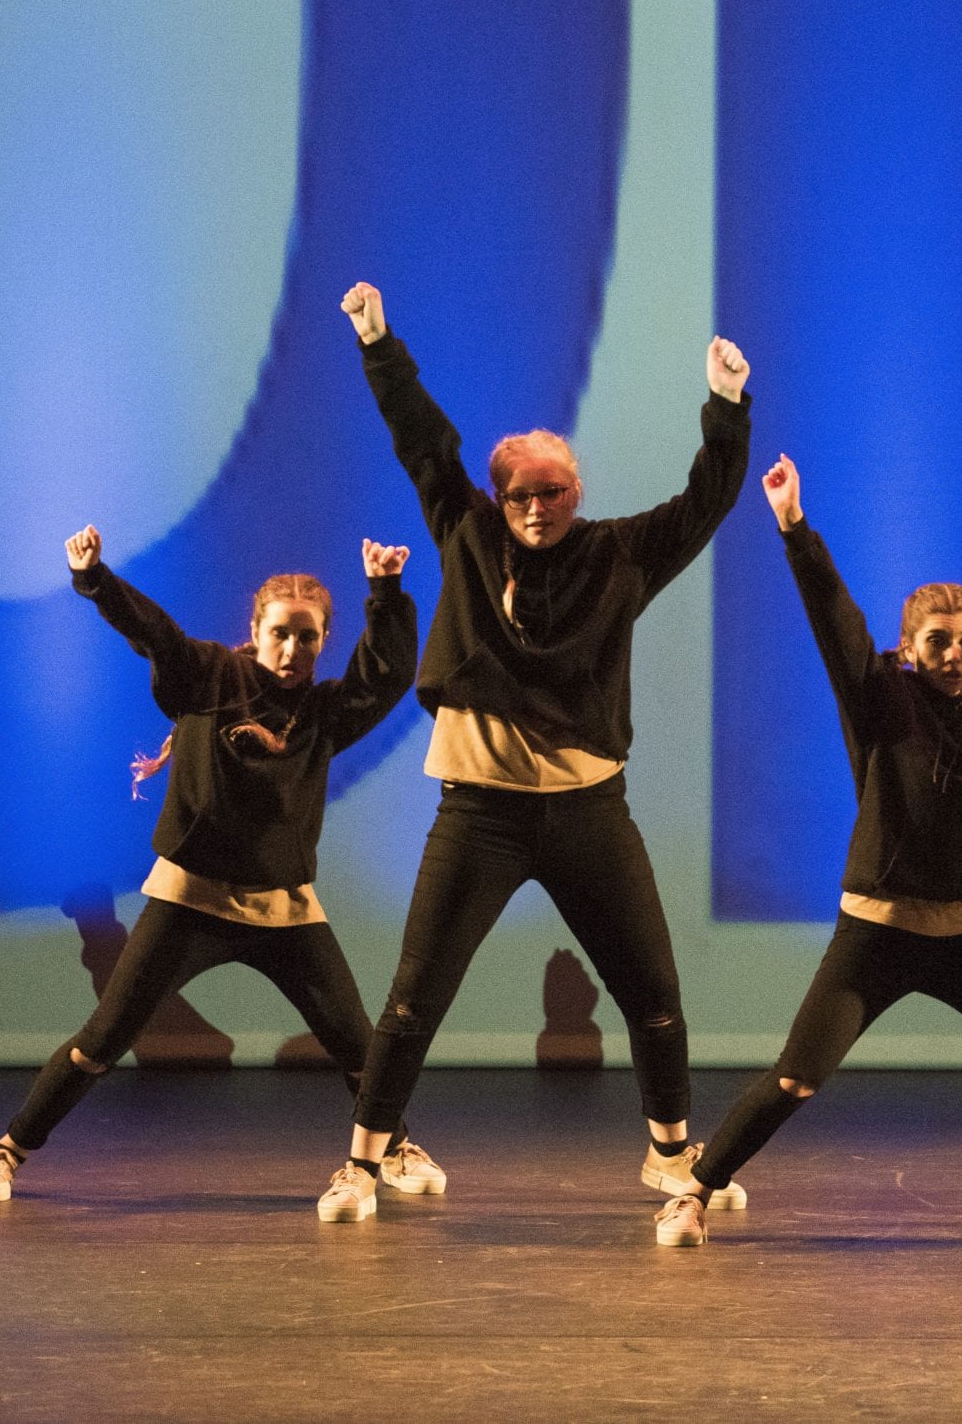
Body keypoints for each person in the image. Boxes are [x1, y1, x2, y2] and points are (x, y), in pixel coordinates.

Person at [318, 281, 752, 1222]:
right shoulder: (469, 532)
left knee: (655, 994)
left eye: (551, 492)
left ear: (576, 493)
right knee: (413, 997)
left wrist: (725, 407)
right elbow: (424, 443)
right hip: (478, 809)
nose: (534, 507)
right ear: (499, 495)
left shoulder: (618, 555)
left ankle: (670, 1155)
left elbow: (707, 502)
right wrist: (377, 340)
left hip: (589, 810)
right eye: (519, 492)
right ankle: (362, 1161)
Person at [652, 454, 962, 1248]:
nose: (955, 654)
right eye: (938, 641)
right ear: (909, 644)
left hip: (956, 938)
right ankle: (693, 1191)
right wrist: (793, 525)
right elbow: (833, 619)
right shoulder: (880, 697)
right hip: (875, 935)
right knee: (796, 1076)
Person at [0, 526, 417, 1201]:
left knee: (361, 1049)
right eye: (280, 633)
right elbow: (155, 632)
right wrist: (94, 577)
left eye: (309, 636)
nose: (292, 649)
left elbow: (386, 676)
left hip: (283, 909)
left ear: (325, 639)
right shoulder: (211, 676)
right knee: (101, 1040)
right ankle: (4, 1152)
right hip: (189, 903)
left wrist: (385, 593)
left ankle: (398, 1151)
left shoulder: (323, 712)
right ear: (254, 629)